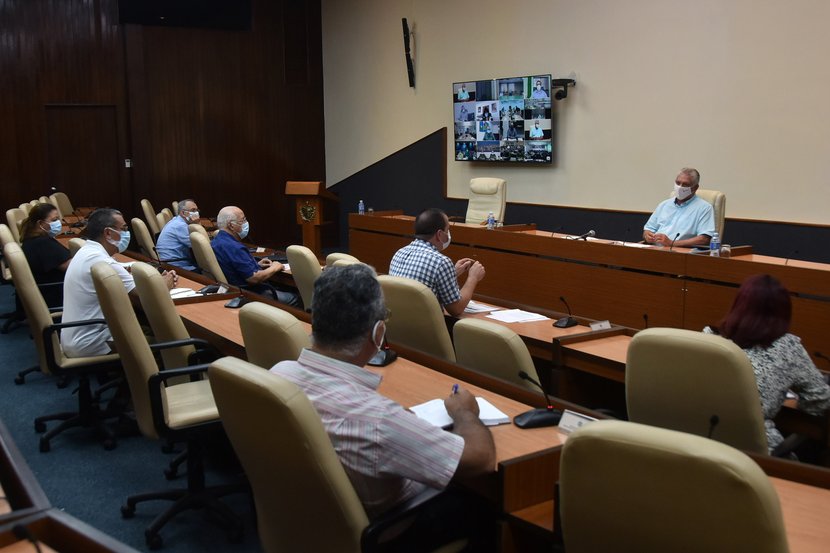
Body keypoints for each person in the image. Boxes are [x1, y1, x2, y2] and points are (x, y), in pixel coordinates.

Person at [270, 264, 495, 547]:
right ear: (378, 333)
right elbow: (481, 459)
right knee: (485, 508)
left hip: (308, 524)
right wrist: (464, 413)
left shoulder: (280, 374)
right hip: (390, 531)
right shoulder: (377, 418)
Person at [704, 274, 830, 453]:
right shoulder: (787, 347)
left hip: (699, 443)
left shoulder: (708, 336)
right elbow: (820, 400)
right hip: (756, 456)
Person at [61, 208, 177, 357]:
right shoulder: (100, 260)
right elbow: (147, 296)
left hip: (79, 334)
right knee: (168, 342)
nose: (127, 233)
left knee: (147, 328)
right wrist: (165, 284)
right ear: (108, 233)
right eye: (123, 229)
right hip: (92, 340)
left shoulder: (87, 251)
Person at [389, 208, 485, 317]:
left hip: (399, 328)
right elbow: (456, 309)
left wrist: (452, 273)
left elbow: (425, 281)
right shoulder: (441, 262)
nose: (448, 234)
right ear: (439, 234)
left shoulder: (399, 253)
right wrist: (473, 278)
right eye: (447, 229)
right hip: (426, 332)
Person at [211, 206, 300, 307]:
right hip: (250, 293)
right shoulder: (234, 247)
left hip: (235, 288)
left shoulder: (217, 241)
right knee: (296, 298)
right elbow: (253, 278)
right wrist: (275, 267)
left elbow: (233, 265)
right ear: (231, 225)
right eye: (243, 220)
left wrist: (255, 264)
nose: (246, 223)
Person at [642, 167, 716, 247]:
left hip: (680, 253)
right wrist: (647, 235)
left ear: (695, 188)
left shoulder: (704, 208)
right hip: (654, 249)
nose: (680, 187)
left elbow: (704, 239)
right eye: (678, 183)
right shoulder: (664, 205)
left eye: (685, 184)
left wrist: (672, 243)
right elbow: (648, 229)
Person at [19, 202, 71, 308]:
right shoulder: (42, 243)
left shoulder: (31, 239)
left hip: (47, 290)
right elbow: (71, 267)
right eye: (54, 220)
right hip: (55, 294)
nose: (58, 223)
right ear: (40, 224)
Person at [155, 198, 200, 271]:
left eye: (197, 210)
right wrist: (197, 224)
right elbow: (199, 247)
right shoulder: (180, 225)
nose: (196, 213)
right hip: (175, 267)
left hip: (173, 262)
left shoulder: (177, 220)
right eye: (193, 210)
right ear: (183, 213)